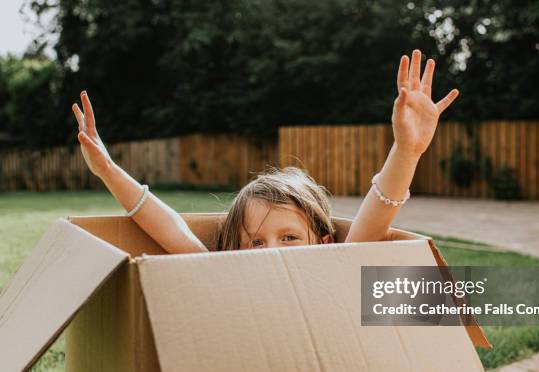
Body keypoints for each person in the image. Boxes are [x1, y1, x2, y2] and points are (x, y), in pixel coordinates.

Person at [71, 49, 458, 253]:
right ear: (235, 250)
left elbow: (379, 211)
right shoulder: (232, 273)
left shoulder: (331, 266)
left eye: (288, 238)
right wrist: (107, 169)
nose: (270, 250)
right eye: (255, 242)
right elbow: (172, 231)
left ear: (323, 244)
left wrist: (407, 150)